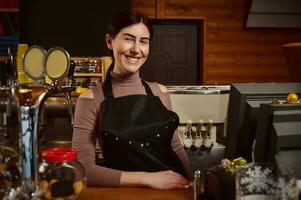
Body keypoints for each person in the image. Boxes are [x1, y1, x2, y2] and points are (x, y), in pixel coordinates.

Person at [72, 10, 192, 190]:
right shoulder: (90, 99)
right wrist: (148, 179)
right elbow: (82, 169)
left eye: (143, 41)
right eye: (128, 39)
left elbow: (175, 146)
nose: (136, 49)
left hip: (171, 191)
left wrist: (192, 182)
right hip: (124, 193)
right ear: (109, 41)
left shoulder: (160, 91)